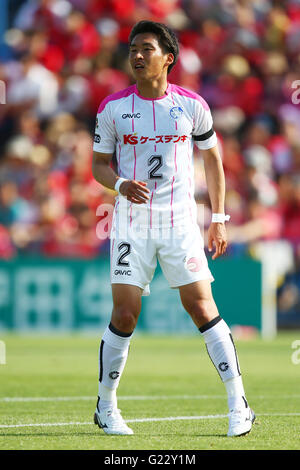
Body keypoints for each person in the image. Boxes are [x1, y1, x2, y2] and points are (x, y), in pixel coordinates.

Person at [91, 20, 255, 437]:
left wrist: (218, 219)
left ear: (169, 57)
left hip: (180, 221)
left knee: (202, 307)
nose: (137, 55)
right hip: (130, 222)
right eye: (132, 49)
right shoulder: (112, 107)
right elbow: (97, 165)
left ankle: (239, 404)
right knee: (125, 314)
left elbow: (213, 160)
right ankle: (106, 406)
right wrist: (120, 183)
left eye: (146, 48)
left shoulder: (192, 105)